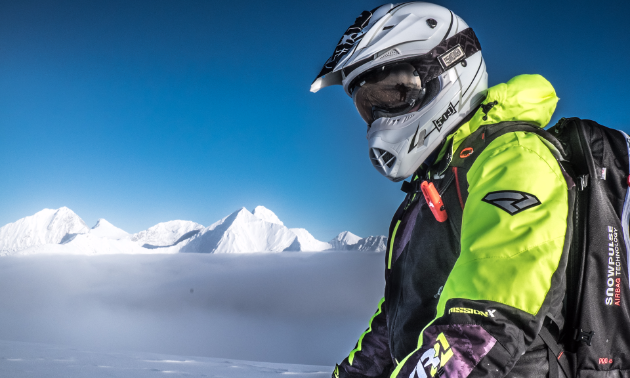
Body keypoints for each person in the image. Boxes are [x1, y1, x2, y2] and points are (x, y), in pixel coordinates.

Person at [311, 3, 571, 378]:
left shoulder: (514, 161)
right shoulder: (435, 186)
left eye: (394, 91)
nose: (380, 117)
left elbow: (484, 327)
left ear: (449, 68)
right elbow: (398, 318)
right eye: (369, 104)